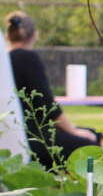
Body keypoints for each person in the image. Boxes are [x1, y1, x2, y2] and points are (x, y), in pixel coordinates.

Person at [5, 11, 96, 167]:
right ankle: (84, 189)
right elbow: (47, 105)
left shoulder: (5, 59)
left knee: (86, 133)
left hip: (12, 133)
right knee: (90, 142)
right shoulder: (27, 57)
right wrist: (73, 131)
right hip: (32, 137)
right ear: (34, 34)